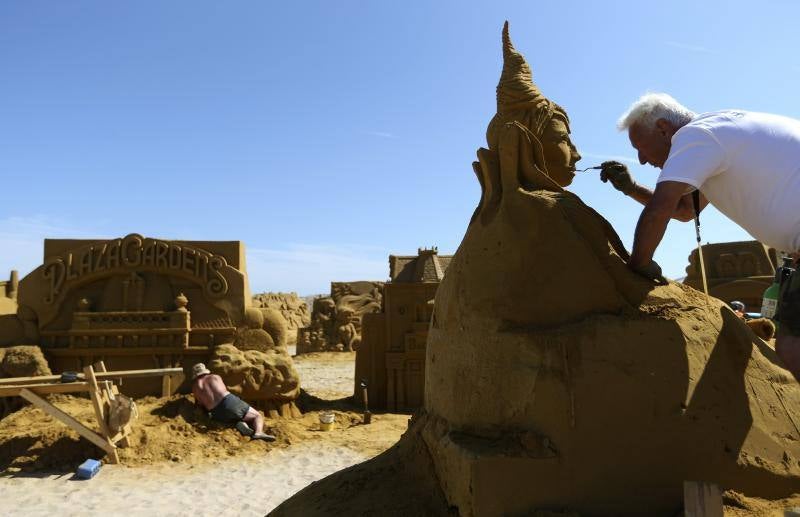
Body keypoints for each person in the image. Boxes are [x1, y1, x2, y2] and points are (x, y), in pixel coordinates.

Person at [600, 93, 800, 378]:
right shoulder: (718, 135)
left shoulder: (697, 136)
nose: (642, 160)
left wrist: (637, 267)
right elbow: (684, 210)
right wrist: (631, 188)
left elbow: (662, 207)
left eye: (640, 147)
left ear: (663, 128)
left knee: (793, 347)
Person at [190, 363, 275, 442]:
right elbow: (223, 389)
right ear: (205, 371)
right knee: (257, 415)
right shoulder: (214, 377)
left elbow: (201, 404)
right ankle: (258, 432)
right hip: (228, 401)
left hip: (215, 412)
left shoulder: (194, 387)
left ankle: (238, 423)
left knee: (230, 416)